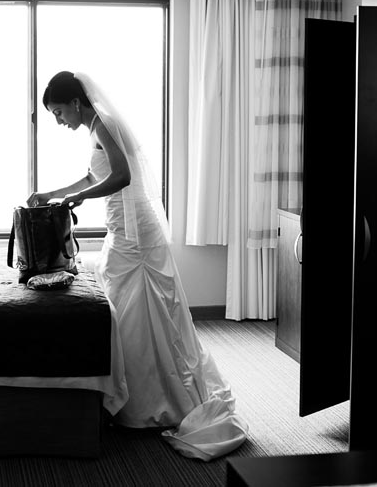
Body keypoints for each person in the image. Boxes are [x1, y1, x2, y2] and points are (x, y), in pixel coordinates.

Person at [28, 71, 248, 461]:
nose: (60, 121)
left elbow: (122, 176)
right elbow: (94, 175)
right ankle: (134, 403)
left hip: (137, 237)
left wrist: (76, 197)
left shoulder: (105, 124)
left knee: (140, 313)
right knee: (128, 311)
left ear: (76, 103)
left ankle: (154, 405)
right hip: (124, 230)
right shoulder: (98, 127)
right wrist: (56, 193)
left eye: (60, 112)